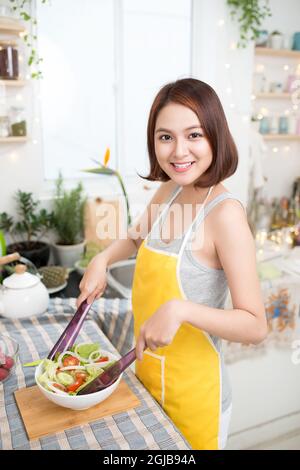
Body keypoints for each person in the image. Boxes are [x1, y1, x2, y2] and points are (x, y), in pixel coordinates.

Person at [77, 78, 267, 450]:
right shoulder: (170, 190)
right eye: (165, 137)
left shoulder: (225, 215)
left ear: (215, 136)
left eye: (194, 134)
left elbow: (255, 324)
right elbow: (135, 238)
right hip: (147, 382)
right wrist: (103, 258)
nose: (179, 151)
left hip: (195, 401)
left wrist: (181, 309)